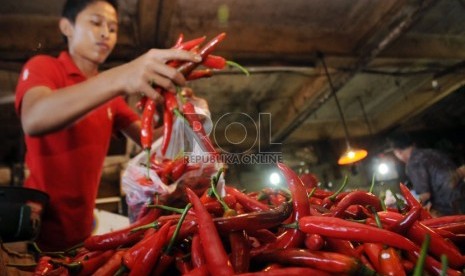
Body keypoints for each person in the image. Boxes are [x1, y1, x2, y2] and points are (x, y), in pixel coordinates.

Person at [15, 0, 202, 251]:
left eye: (113, 28)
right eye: (95, 23)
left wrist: (182, 117)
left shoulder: (111, 96)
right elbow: (34, 117)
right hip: (39, 226)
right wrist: (121, 76)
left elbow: (150, 140)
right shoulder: (45, 67)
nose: (106, 33)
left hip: (82, 230)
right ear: (66, 27)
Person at [387, 132, 465, 216]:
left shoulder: (413, 163)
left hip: (452, 207)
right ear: (413, 144)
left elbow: (425, 195)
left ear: (398, 152)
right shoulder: (431, 152)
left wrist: (407, 210)